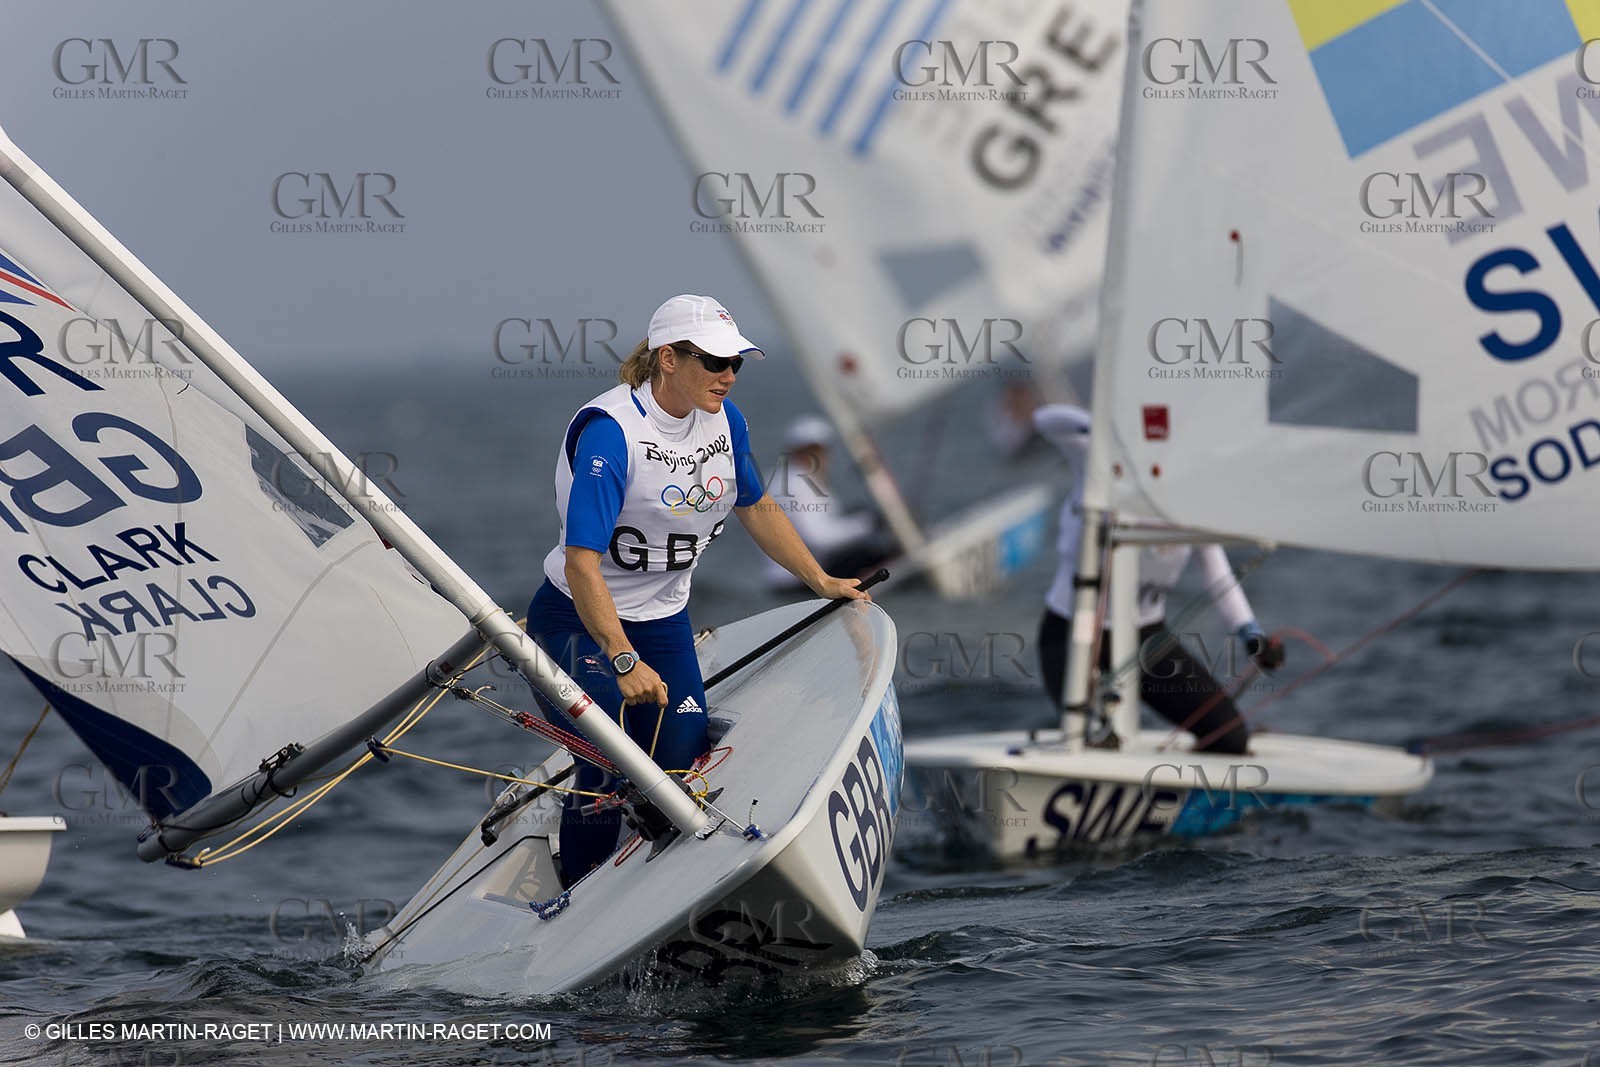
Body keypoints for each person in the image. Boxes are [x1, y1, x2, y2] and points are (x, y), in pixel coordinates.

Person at [529, 294, 870, 886]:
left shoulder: (724, 421)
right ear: (668, 359)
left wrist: (819, 581)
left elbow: (756, 506)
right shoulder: (612, 435)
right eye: (714, 362)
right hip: (577, 622)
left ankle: (652, 879)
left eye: (735, 363)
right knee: (607, 762)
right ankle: (575, 899)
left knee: (681, 762)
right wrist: (622, 657)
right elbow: (583, 564)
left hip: (663, 622)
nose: (729, 376)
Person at [1033, 403, 1284, 754]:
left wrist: (1251, 636)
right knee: (1092, 740)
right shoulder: (1098, 465)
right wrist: (1105, 435)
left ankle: (1183, 803)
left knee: (1230, 739)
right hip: (1072, 635)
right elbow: (1046, 418)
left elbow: (1217, 573)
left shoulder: (1193, 499)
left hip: (1147, 641)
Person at [761, 415, 897, 591]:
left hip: (797, 577)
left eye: (819, 449)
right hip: (798, 581)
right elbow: (819, 538)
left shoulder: (786, 478)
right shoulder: (795, 483)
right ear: (794, 451)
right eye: (808, 449)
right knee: (878, 555)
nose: (816, 455)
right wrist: (868, 524)